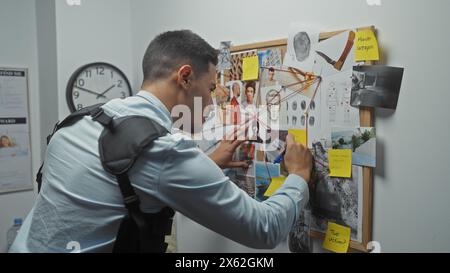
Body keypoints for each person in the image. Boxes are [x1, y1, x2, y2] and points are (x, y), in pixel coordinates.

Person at [10, 30, 313, 253]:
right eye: (210, 88)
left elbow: (125, 180)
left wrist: (206, 163)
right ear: (184, 77)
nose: (212, 103)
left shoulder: (82, 121)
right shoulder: (164, 151)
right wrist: (298, 175)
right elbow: (264, 230)